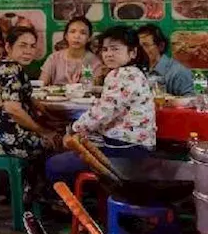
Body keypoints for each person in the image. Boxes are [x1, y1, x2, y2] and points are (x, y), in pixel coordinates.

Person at [46, 26, 155, 185]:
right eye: (105, 49)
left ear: (132, 52)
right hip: (135, 146)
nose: (109, 54)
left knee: (54, 164)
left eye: (115, 49)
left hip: (124, 150)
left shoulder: (122, 74)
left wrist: (74, 129)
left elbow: (102, 112)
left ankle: (69, 206)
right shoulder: (135, 72)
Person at [0, 27, 58, 199]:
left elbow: (19, 95)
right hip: (9, 139)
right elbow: (13, 109)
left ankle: (26, 190)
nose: (28, 51)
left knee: (49, 134)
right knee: (55, 144)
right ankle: (42, 196)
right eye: (22, 45)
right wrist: (43, 131)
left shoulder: (1, 65)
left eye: (32, 46)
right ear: (8, 47)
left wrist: (40, 107)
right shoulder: (12, 71)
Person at [39, 17, 101, 86]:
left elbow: (94, 89)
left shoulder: (95, 62)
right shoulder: (54, 58)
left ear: (89, 38)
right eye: (72, 31)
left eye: (83, 33)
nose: (77, 36)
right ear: (66, 36)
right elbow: (41, 84)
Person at [137, 24, 195, 96]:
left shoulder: (178, 72)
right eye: (138, 46)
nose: (140, 50)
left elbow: (189, 101)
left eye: (146, 45)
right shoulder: (136, 70)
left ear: (161, 46)